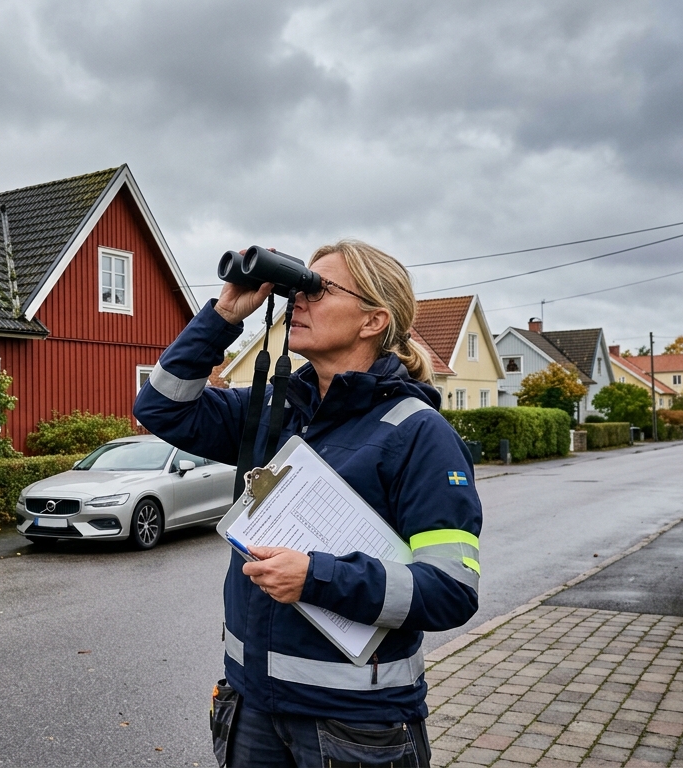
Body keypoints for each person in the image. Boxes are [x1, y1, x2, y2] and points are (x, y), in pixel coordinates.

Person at [133, 240, 481, 767]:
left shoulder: (417, 433)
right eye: (300, 285)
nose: (299, 299)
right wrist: (225, 315)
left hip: (356, 724)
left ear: (373, 321)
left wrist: (316, 577)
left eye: (319, 289)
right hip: (251, 707)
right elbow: (160, 407)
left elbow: (451, 590)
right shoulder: (275, 412)